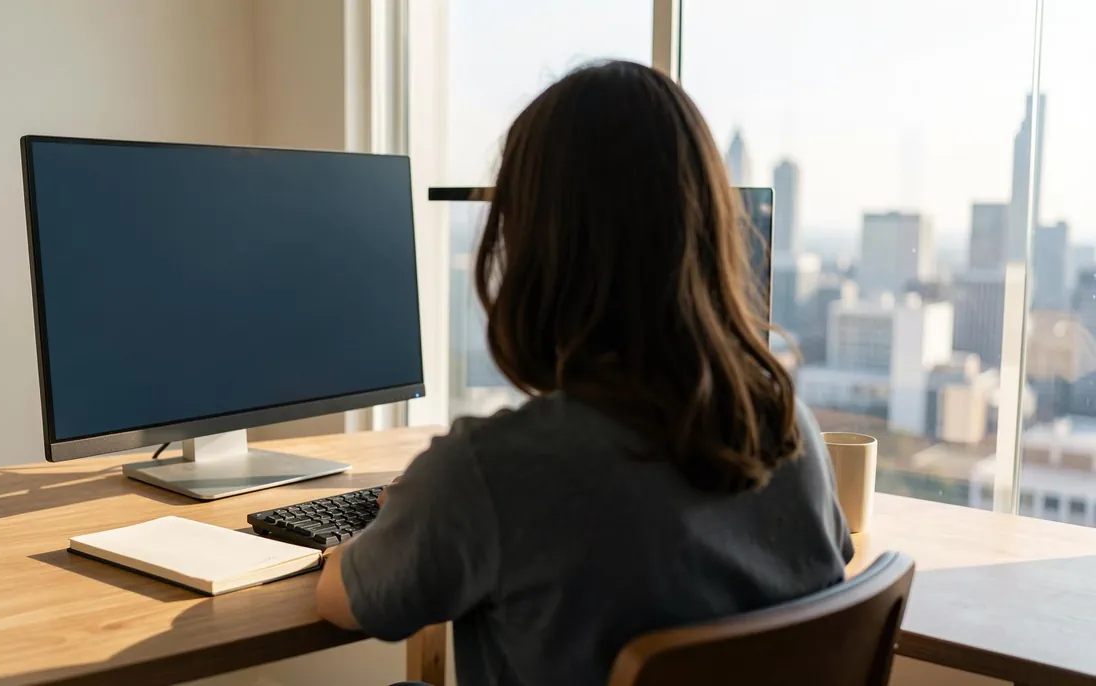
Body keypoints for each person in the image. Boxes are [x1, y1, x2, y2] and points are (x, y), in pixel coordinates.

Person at [315, 60, 853, 686]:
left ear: (536, 248)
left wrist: (410, 516)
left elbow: (343, 601)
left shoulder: (491, 472)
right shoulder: (790, 434)